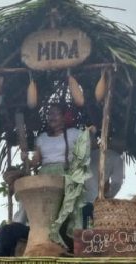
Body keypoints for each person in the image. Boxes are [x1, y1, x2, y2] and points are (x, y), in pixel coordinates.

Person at [31, 104, 91, 250]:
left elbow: (90, 146)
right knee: (46, 214)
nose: (52, 117)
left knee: (69, 211)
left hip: (65, 175)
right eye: (49, 114)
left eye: (56, 113)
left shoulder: (74, 133)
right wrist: (26, 159)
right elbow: (35, 162)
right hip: (45, 176)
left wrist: (91, 131)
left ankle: (71, 246)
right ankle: (45, 244)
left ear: (65, 117)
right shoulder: (41, 138)